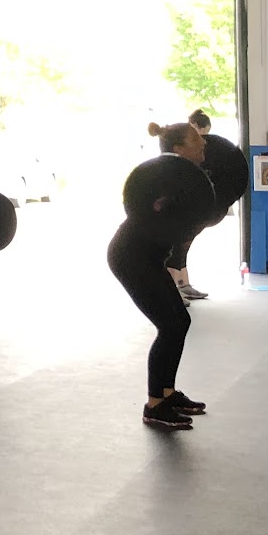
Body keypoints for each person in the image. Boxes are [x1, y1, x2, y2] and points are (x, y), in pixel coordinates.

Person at [109, 135, 217, 431]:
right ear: (179, 149)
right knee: (169, 326)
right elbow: (155, 213)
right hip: (130, 257)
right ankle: (154, 405)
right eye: (197, 144)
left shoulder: (184, 183)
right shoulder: (164, 182)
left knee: (180, 322)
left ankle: (168, 393)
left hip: (150, 257)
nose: (203, 148)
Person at [153, 118, 210, 300]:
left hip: (180, 228)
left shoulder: (188, 174)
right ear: (178, 149)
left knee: (181, 249)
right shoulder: (165, 175)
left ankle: (182, 285)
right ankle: (170, 292)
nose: (203, 142)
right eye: (195, 139)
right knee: (171, 252)